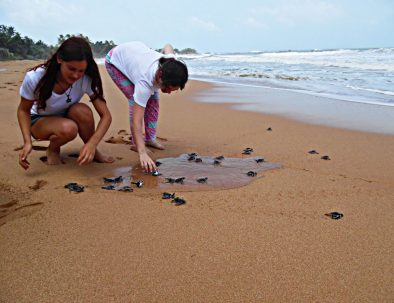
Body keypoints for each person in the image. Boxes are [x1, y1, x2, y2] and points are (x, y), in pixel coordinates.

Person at [17, 36, 114, 170]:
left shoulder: (87, 79)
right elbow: (23, 110)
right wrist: (27, 142)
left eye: (81, 71)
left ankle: (91, 150)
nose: (76, 76)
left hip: (65, 115)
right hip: (39, 120)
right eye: (71, 69)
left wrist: (92, 144)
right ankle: (53, 149)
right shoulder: (35, 78)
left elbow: (106, 116)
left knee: (82, 111)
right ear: (59, 59)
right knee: (69, 128)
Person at [105, 41, 188, 172]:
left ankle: (150, 139)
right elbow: (136, 121)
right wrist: (142, 153)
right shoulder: (144, 82)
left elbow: (168, 46)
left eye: (173, 90)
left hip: (134, 56)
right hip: (114, 61)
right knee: (135, 100)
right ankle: (136, 144)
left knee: (154, 101)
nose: (169, 92)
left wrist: (162, 52)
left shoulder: (170, 63)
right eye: (167, 88)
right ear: (160, 75)